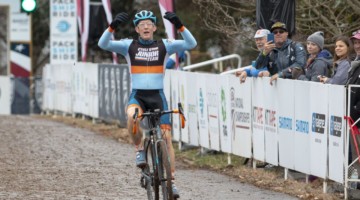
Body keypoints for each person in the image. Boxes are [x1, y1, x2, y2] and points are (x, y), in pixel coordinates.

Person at [98, 10, 197, 198]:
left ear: (154, 28)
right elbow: (103, 44)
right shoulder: (128, 46)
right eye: (141, 24)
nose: (145, 26)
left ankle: (172, 182)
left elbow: (191, 44)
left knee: (167, 139)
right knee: (131, 117)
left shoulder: (164, 45)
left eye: (149, 23)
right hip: (138, 96)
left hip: (158, 97)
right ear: (136, 29)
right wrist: (112, 27)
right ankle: (140, 150)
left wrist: (180, 25)